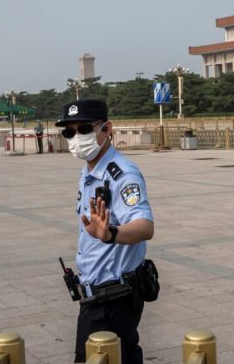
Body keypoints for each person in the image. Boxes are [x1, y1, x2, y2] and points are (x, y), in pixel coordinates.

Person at [56, 98, 155, 364]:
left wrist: (110, 234)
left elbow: (144, 227)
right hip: (97, 295)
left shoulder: (122, 174)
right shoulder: (89, 170)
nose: (76, 138)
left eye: (84, 129)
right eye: (69, 132)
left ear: (107, 128)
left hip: (113, 298)